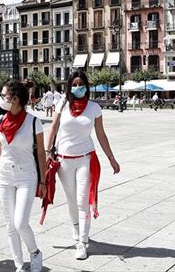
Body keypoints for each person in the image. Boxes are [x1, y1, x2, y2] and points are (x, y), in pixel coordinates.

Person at [45, 71, 121, 260]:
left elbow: (101, 134)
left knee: (82, 200)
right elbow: (53, 127)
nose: (77, 87)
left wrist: (111, 157)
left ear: (86, 86)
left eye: (81, 83)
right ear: (69, 86)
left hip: (86, 158)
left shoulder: (94, 108)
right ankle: (76, 229)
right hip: (63, 160)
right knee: (71, 200)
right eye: (74, 84)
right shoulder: (61, 104)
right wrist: (47, 152)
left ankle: (82, 242)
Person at [0, 80, 47, 272]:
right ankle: (19, 265)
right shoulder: (0, 121)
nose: (1, 99)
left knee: (20, 222)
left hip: (26, 177)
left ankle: (35, 252)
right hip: (4, 176)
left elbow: (40, 153)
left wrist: (43, 180)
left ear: (14, 99)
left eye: (4, 95)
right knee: (10, 225)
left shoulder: (33, 122)